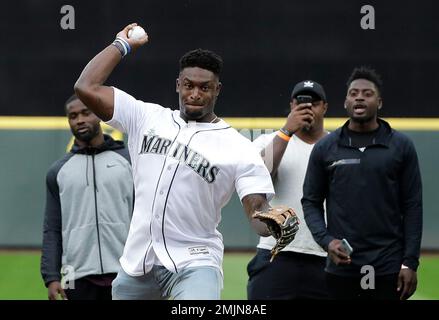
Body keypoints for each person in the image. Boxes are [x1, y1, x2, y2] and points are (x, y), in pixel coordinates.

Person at [73, 23, 287, 300]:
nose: (195, 93)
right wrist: (121, 45)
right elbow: (86, 87)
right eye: (188, 85)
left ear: (217, 89)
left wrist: (272, 224)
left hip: (195, 262)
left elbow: (257, 207)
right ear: (178, 85)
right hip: (137, 262)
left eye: (204, 87)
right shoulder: (145, 117)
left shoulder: (238, 146)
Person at [302, 67, 423, 300]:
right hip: (342, 267)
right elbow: (311, 201)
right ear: (346, 101)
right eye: (353, 93)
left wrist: (410, 263)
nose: (359, 97)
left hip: (388, 265)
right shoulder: (326, 148)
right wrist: (327, 242)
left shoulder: (401, 146)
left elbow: (413, 207)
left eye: (367, 93)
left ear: (379, 102)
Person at [40, 94, 134, 300]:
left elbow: (146, 218)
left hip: (126, 270)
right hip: (74, 274)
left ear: (99, 115)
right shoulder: (58, 171)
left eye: (86, 113)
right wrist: (52, 276)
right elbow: (53, 228)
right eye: (73, 116)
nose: (79, 120)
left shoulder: (129, 162)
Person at [247, 80, 329, 299]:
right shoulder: (269, 141)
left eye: (314, 102)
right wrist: (285, 132)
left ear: (325, 107)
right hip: (276, 253)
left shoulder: (337, 145)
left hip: (325, 255)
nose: (307, 107)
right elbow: (258, 177)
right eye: (301, 102)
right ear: (292, 105)